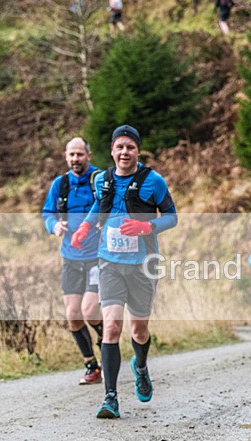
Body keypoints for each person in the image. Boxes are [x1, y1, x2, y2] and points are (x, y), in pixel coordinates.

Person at [71, 125, 178, 419]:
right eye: (119, 147)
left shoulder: (153, 181)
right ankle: (111, 398)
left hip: (143, 265)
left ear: (137, 151)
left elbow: (172, 217)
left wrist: (148, 226)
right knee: (112, 326)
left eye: (130, 147)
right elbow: (99, 207)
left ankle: (141, 366)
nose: (124, 152)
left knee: (139, 330)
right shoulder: (104, 179)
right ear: (112, 151)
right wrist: (85, 226)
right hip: (109, 263)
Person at [42, 137, 104, 385]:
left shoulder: (98, 179)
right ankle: (92, 365)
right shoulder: (61, 184)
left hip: (97, 257)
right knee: (73, 316)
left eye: (80, 154)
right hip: (70, 258)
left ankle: (106, 339)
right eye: (72, 155)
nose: (76, 159)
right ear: (65, 157)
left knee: (89, 310)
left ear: (88, 155)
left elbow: (111, 205)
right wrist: (54, 225)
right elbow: (47, 213)